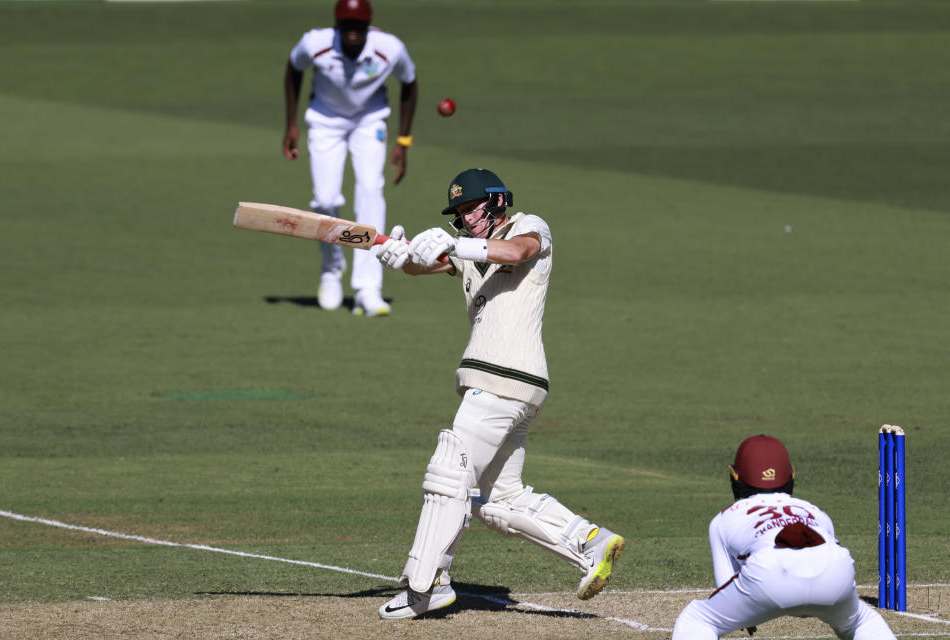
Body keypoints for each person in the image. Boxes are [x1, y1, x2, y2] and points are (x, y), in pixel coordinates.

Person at [370, 168, 626, 619]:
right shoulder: (467, 252)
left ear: (497, 201)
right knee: (500, 500)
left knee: (449, 472)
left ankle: (425, 585)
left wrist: (454, 245)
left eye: (472, 207)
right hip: (513, 385)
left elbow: (515, 252)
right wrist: (394, 254)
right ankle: (590, 542)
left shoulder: (530, 226)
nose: (466, 218)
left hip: (501, 377)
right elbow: (423, 263)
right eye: (460, 212)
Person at [672, 434, 897, 640]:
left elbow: (725, 584)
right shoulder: (815, 510)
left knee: (697, 619)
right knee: (862, 622)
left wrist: (747, 614)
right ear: (791, 476)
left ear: (735, 477)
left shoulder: (723, 519)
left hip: (769, 572)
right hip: (835, 569)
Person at [283, 0, 417, 317]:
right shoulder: (314, 43)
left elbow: (409, 82)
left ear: (368, 25)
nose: (353, 34)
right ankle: (331, 267)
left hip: (369, 121)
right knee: (325, 200)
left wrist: (403, 141)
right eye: (346, 26)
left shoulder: (390, 48)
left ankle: (367, 289)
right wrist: (290, 124)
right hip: (325, 121)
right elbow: (293, 69)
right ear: (337, 25)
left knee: (371, 191)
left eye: (358, 27)